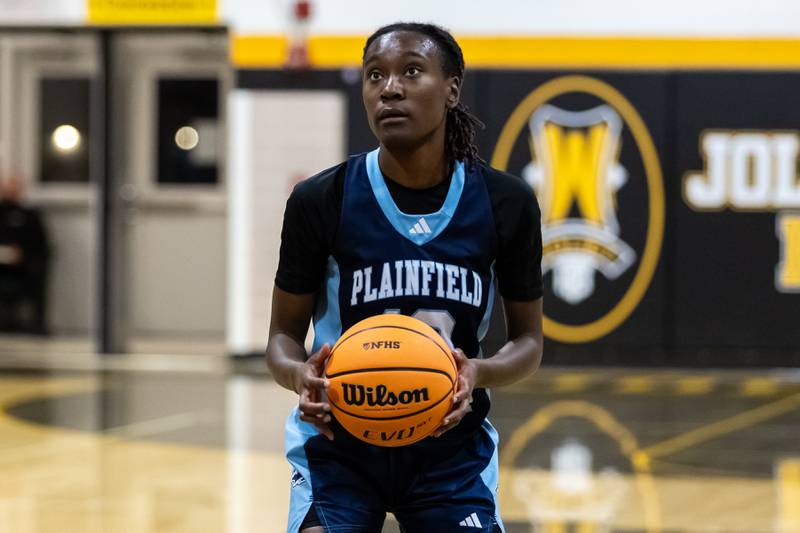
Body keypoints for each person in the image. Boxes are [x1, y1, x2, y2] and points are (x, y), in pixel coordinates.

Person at [266, 22, 544, 533]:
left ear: (452, 89)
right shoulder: (319, 200)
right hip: (339, 446)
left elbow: (529, 341)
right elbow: (282, 338)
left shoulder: (505, 203)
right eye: (375, 75)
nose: (389, 87)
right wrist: (299, 374)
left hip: (450, 450)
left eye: (411, 71)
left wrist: (477, 373)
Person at [0, 176, 50, 334]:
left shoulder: (30, 216)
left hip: (24, 267)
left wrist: (22, 254)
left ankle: (36, 325)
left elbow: (41, 244)